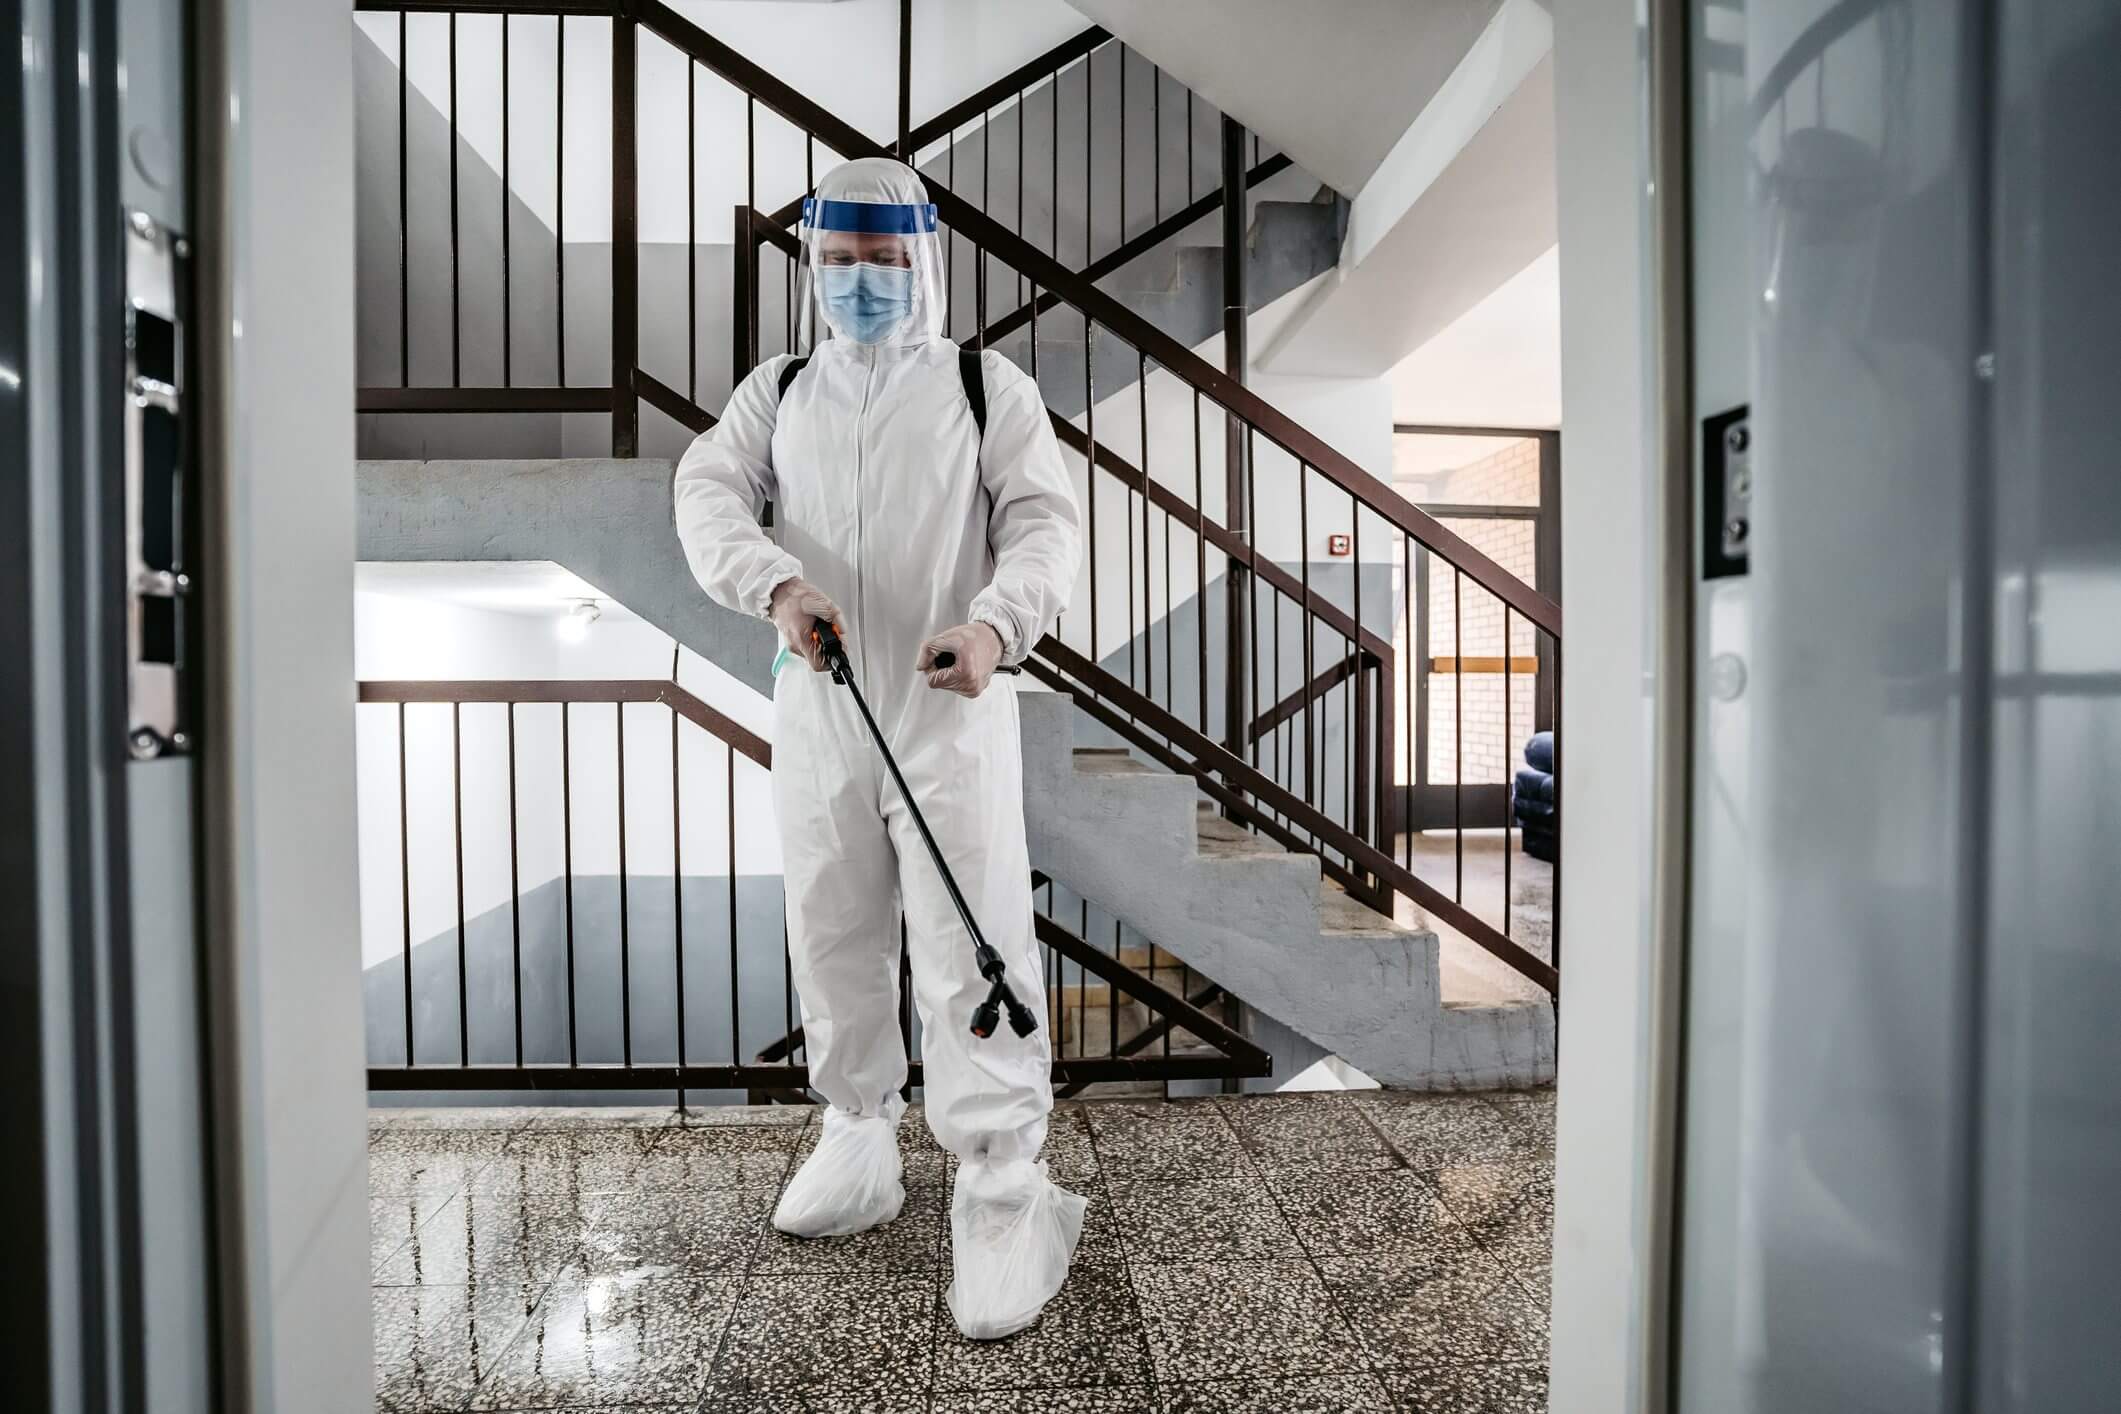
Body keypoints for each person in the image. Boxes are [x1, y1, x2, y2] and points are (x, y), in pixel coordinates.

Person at [672, 157, 1085, 1339]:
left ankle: (1002, 1187)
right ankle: (858, 1133)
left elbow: (1045, 524)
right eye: (841, 262)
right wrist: (774, 583)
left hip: (947, 710)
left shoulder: (978, 384)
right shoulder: (781, 389)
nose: (861, 281)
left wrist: (995, 627)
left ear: (926, 262)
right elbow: (707, 489)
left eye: (884, 260)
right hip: (818, 711)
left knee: (971, 940)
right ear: (814, 266)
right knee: (835, 925)